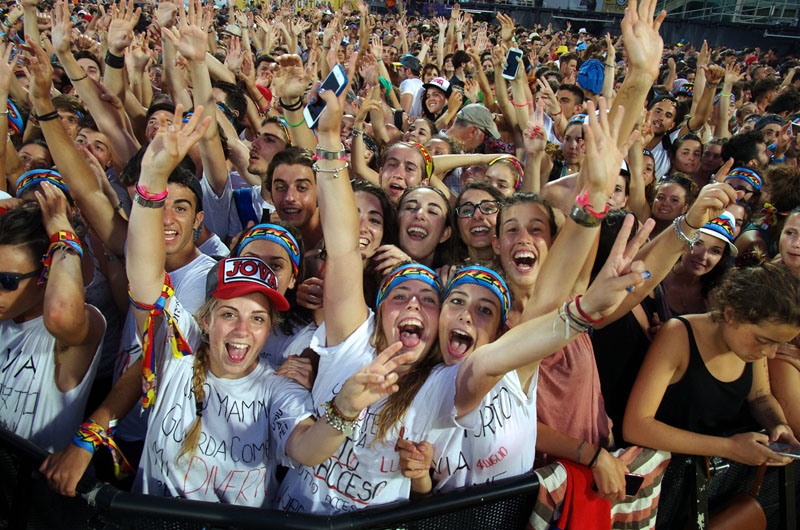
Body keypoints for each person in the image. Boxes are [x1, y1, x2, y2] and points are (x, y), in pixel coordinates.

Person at [624, 263, 800, 467]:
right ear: (730, 314)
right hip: (669, 475)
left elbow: (760, 396)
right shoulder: (678, 335)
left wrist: (779, 425)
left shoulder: (751, 345)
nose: (770, 353)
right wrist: (729, 447)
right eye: (764, 341)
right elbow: (636, 426)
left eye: (778, 344)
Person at [0, 185, 105, 452]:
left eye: (7, 281)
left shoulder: (84, 324)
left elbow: (60, 315)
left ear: (45, 276)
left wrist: (63, 233)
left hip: (27, 488)